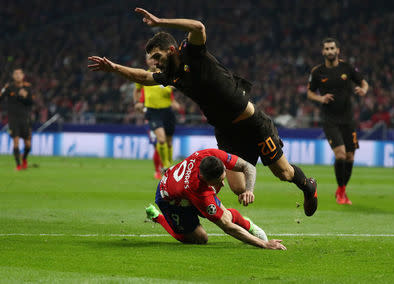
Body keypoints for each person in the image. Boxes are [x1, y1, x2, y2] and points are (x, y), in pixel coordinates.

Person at [88, 8, 317, 216]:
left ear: (171, 49)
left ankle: (308, 187)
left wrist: (161, 21)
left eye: (157, 57)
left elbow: (198, 27)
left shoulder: (191, 52)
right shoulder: (171, 76)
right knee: (238, 187)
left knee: (284, 173)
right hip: (227, 131)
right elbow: (144, 77)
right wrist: (114, 68)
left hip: (252, 123)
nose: (155, 63)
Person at [145, 148, 286, 250]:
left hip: (180, 185)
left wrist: (249, 190)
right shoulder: (199, 191)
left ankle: (248, 225)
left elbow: (247, 166)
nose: (223, 184)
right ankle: (157, 216)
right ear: (206, 180)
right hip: (170, 200)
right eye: (218, 181)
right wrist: (264, 244)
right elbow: (228, 227)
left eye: (223, 177)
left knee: (225, 215)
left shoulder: (211, 155)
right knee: (200, 238)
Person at [307, 38, 369, 205]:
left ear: (337, 50)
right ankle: (341, 192)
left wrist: (363, 89)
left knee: (350, 157)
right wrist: (321, 98)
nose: (329, 51)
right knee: (340, 154)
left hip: (348, 120)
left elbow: (364, 83)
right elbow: (310, 93)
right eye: (326, 49)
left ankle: (341, 190)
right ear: (323, 52)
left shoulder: (347, 68)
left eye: (332, 48)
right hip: (330, 120)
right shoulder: (317, 72)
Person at [133, 54, 181, 177]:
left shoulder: (167, 74)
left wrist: (174, 87)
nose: (153, 61)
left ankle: (170, 165)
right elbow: (137, 91)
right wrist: (138, 102)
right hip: (153, 112)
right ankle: (165, 165)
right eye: (150, 58)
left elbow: (174, 90)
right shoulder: (143, 75)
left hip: (167, 112)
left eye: (155, 58)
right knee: (161, 139)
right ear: (147, 61)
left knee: (169, 142)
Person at [0, 68, 33, 171]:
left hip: (25, 118)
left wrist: (23, 97)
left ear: (23, 76)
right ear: (13, 76)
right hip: (13, 118)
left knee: (28, 144)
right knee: (15, 142)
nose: (18, 75)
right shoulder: (8, 88)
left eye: (20, 73)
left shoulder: (27, 88)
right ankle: (18, 165)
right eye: (16, 73)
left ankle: (24, 158)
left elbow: (31, 103)